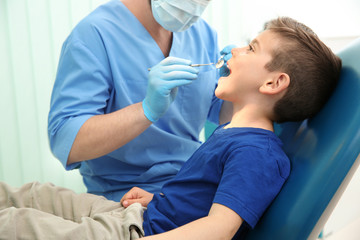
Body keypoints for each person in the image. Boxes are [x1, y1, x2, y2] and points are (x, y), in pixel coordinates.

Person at [3, 17, 341, 239]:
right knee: (34, 195)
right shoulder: (233, 135)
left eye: (251, 47)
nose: (236, 50)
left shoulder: (256, 152)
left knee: (16, 225)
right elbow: (200, 195)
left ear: (273, 82)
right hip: (144, 213)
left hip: (140, 232)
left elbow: (219, 228)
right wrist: (158, 199)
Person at [48, 0, 233, 201]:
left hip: (191, 187)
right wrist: (145, 110)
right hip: (125, 198)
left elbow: (218, 109)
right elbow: (66, 140)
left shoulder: (202, 34)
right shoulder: (95, 34)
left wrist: (240, 83)